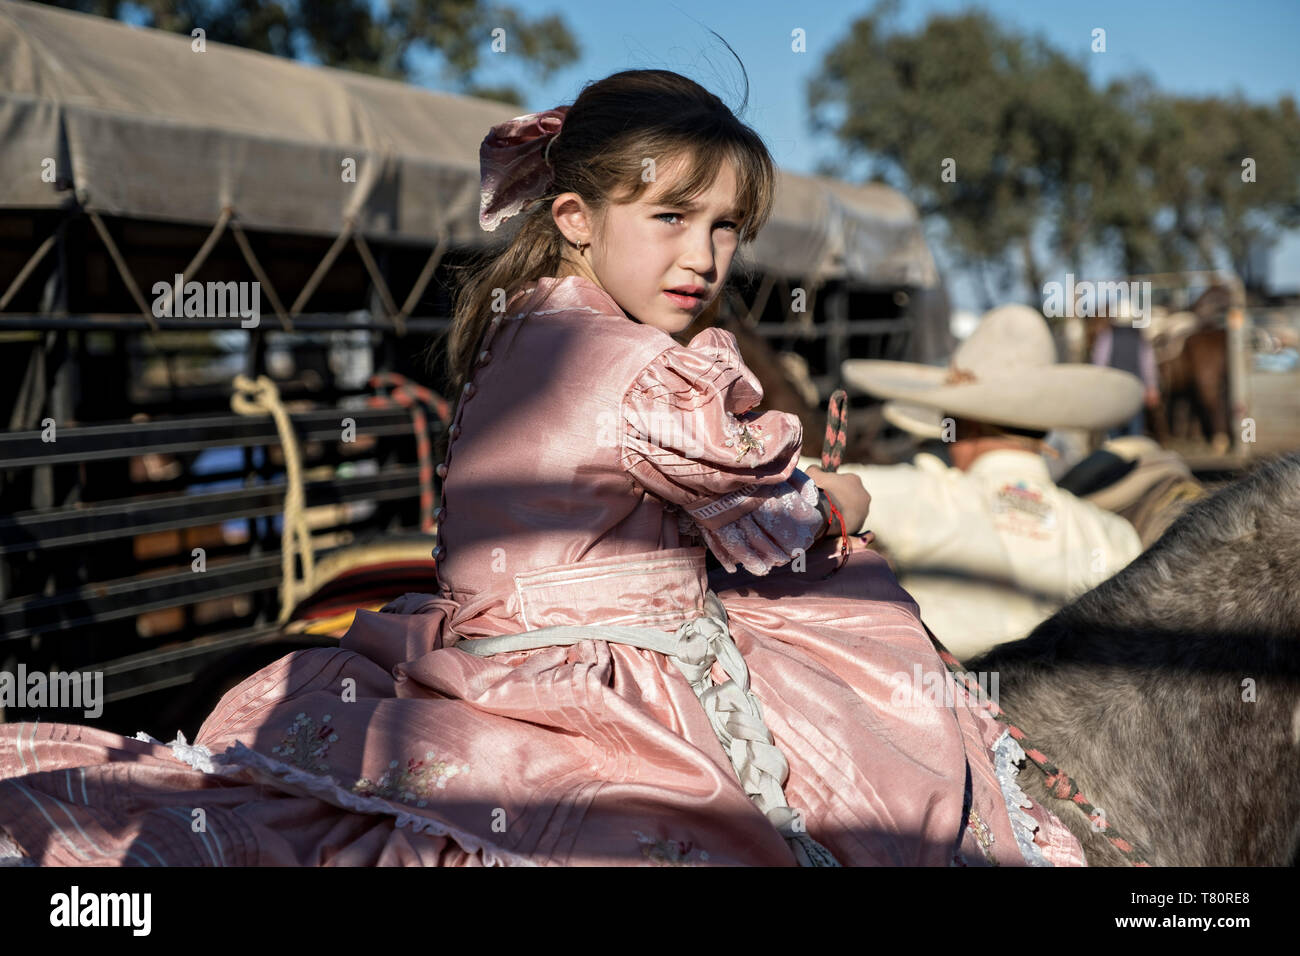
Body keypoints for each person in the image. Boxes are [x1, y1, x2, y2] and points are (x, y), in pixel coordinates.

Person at [0, 70, 1084, 867]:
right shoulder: (647, 372)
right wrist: (840, 496)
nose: (702, 258)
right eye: (670, 219)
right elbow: (770, 504)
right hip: (603, 677)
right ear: (574, 216)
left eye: (725, 229)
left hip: (478, 648)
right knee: (855, 762)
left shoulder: (525, 328)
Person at [805, 305, 1145, 662]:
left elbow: (784, 475)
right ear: (1042, 429)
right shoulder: (1113, 537)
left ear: (966, 427)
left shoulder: (926, 497)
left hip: (953, 712)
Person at [1089, 304, 1160, 438]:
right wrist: (1152, 387)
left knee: (1115, 433)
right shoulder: (1140, 337)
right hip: (1135, 388)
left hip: (1114, 390)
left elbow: (1099, 363)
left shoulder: (1107, 336)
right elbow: (1148, 365)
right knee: (1135, 431)